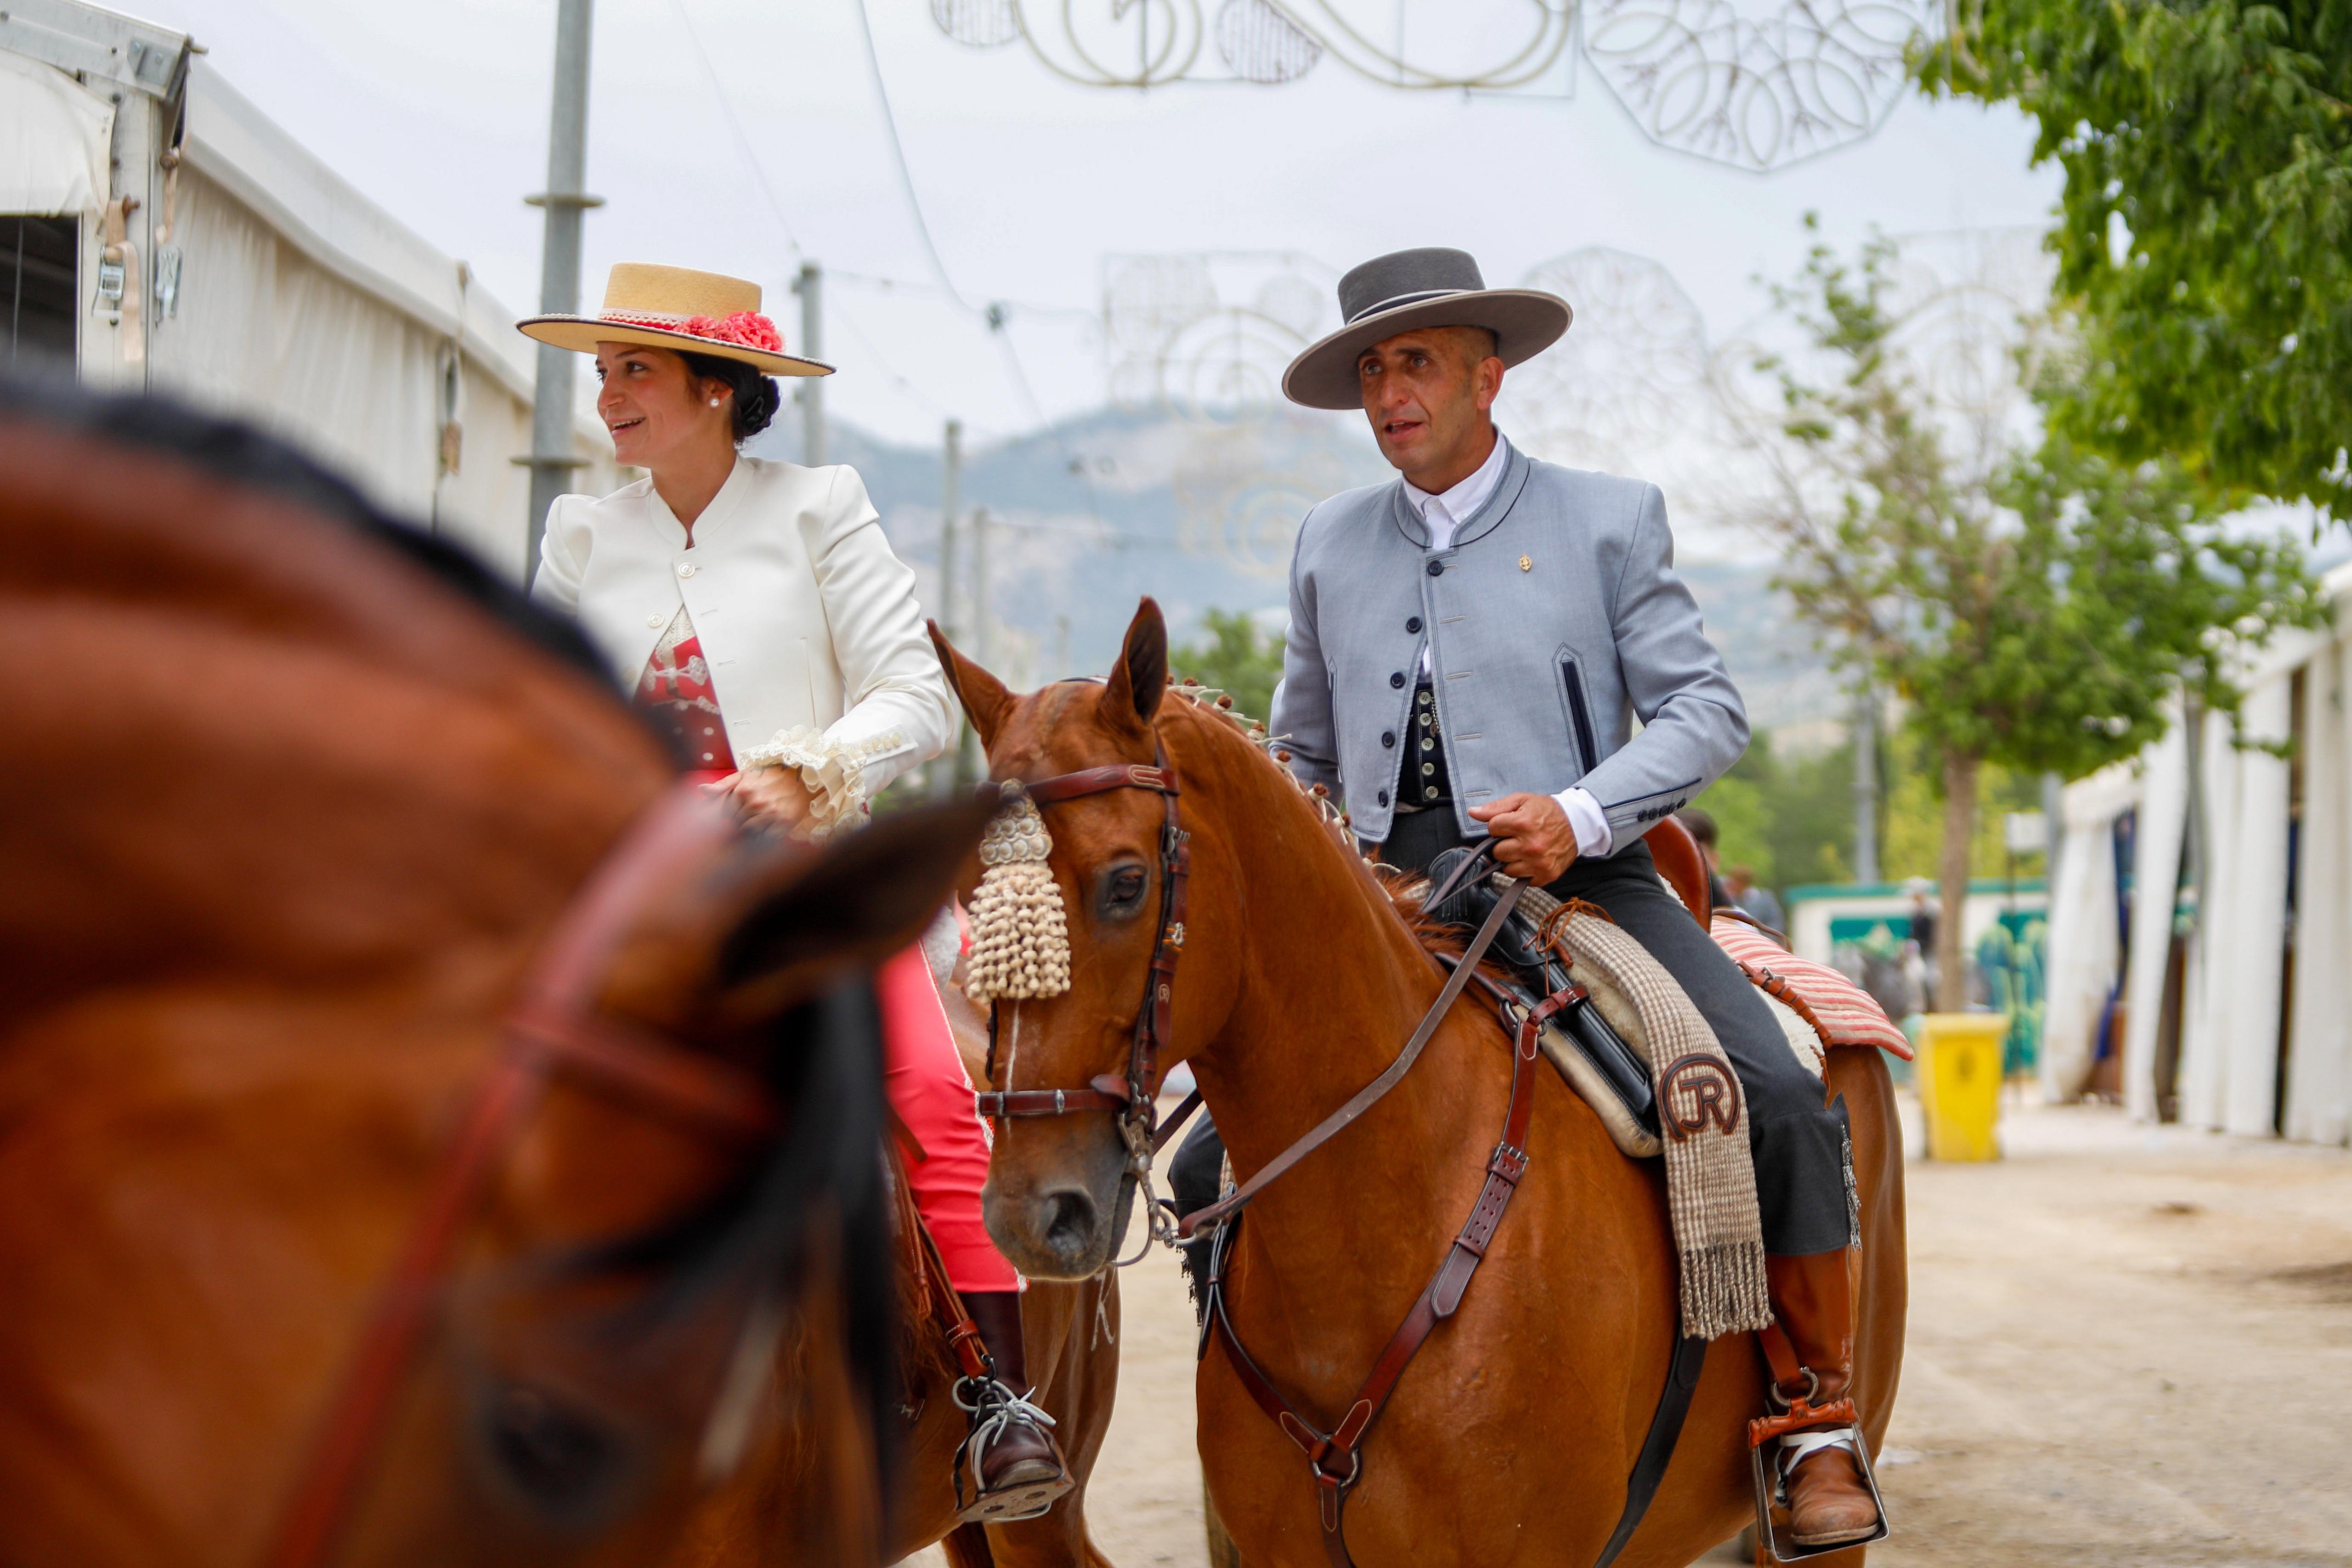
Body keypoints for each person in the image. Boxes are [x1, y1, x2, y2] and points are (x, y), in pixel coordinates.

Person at [1170, 248, 1880, 1547]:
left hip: (1586, 874)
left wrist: (1582, 811)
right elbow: (1303, 757)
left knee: (1766, 1086)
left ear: (1489, 377)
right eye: (1374, 370)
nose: (1392, 392)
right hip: (1388, 894)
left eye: (1418, 362)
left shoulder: (1607, 517)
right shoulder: (1329, 539)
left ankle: (1810, 1419)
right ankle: (1269, 1444)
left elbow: (1704, 709)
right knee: (1218, 1151)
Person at [518, 263, 1068, 1523]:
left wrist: (798, 772)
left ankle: (995, 1401)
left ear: (718, 390)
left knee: (931, 1093)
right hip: (628, 887)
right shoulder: (580, 533)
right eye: (602, 372)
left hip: (805, 876)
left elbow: (916, 700)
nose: (606, 395)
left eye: (633, 369)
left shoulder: (823, 508)